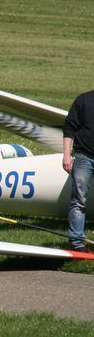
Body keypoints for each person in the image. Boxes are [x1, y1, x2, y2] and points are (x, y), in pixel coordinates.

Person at [63, 90, 94, 252]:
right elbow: (69, 127)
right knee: (79, 200)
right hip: (84, 157)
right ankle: (77, 243)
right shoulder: (83, 100)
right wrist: (67, 155)